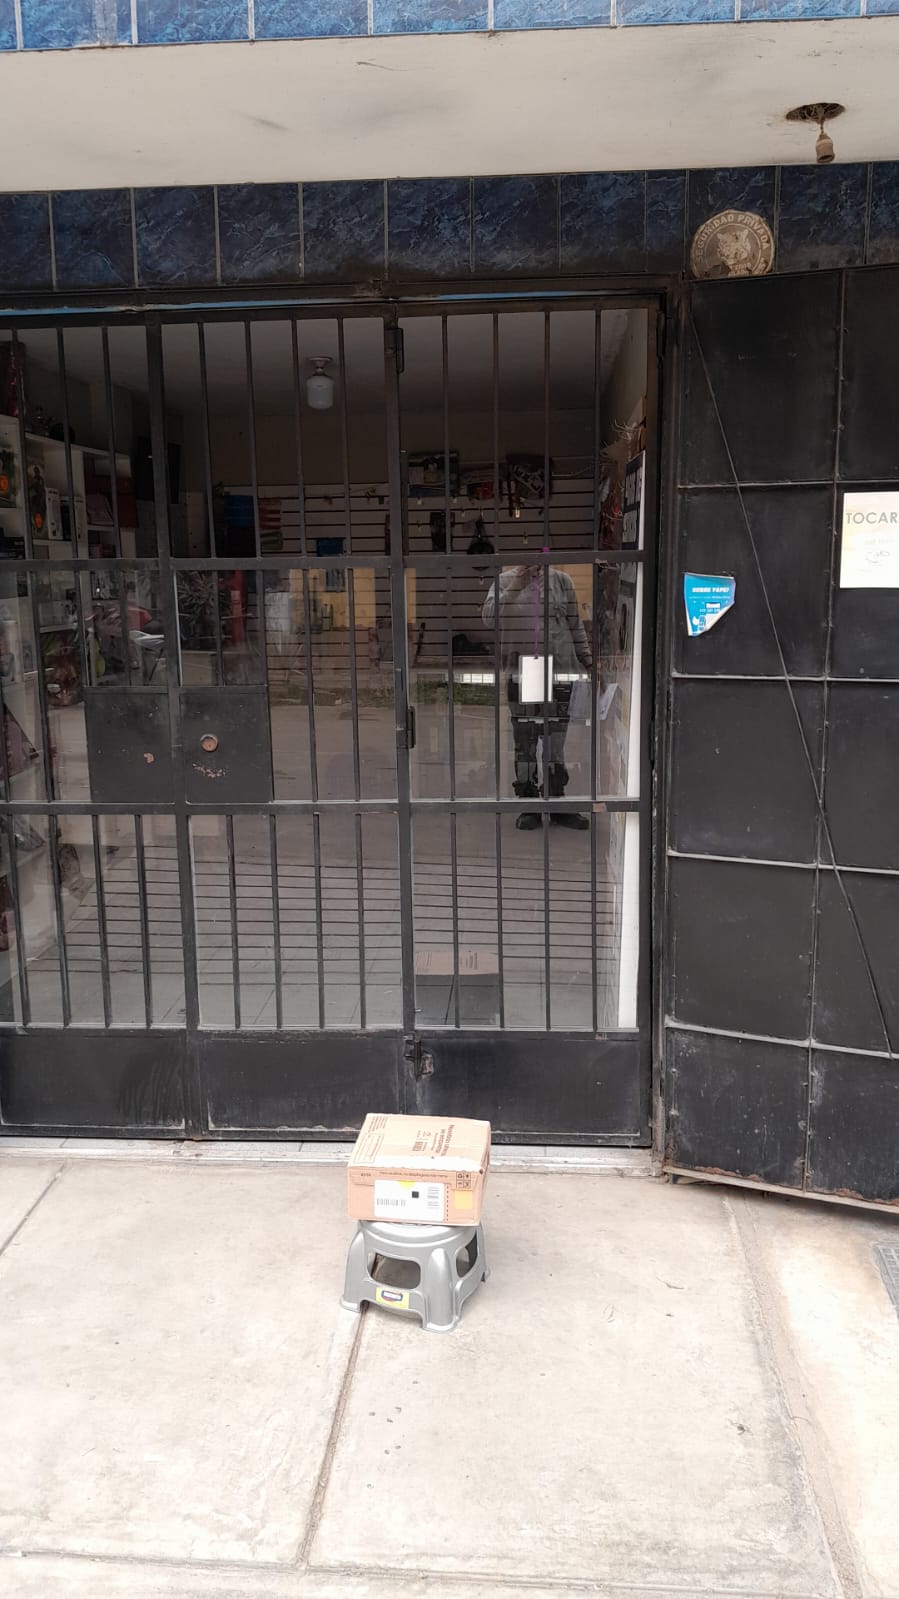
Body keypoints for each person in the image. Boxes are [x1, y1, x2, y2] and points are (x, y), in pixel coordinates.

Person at [483, 563, 592, 830]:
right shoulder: (504, 581)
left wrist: (588, 661)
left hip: (560, 671)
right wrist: (514, 587)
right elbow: (489, 618)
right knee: (525, 741)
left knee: (556, 742)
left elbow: (574, 624)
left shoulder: (562, 581)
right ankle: (528, 803)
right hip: (523, 672)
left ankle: (556, 801)